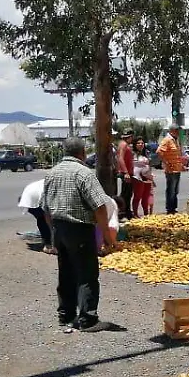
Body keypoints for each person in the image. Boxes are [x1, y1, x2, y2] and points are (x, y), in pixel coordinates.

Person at [41, 138, 113, 332]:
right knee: (87, 274)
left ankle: (65, 314)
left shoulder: (52, 173)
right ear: (82, 153)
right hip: (80, 229)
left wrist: (53, 232)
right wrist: (106, 235)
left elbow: (45, 208)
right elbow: (99, 206)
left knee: (66, 272)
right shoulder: (84, 173)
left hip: (59, 227)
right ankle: (88, 318)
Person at [18, 179, 54, 254]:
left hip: (30, 194)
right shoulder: (52, 186)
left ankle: (47, 242)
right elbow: (46, 215)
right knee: (43, 220)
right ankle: (48, 245)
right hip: (34, 197)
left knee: (42, 220)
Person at [156, 125, 184, 214]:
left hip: (177, 169)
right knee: (171, 190)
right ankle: (170, 209)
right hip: (171, 170)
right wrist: (166, 163)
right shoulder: (167, 140)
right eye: (177, 130)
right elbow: (159, 152)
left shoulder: (175, 140)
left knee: (175, 190)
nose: (178, 132)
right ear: (172, 131)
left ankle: (173, 208)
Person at [131, 140, 155, 217]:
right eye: (138, 143)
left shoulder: (146, 153)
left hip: (147, 177)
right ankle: (135, 214)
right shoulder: (132, 154)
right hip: (137, 177)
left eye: (142, 143)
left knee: (146, 196)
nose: (141, 144)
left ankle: (146, 214)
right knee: (137, 196)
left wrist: (151, 178)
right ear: (135, 145)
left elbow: (149, 165)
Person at [116, 132, 135, 220]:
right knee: (125, 194)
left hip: (128, 173)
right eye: (131, 137)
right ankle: (122, 213)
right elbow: (120, 158)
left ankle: (127, 212)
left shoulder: (125, 145)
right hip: (125, 173)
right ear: (129, 137)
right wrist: (126, 172)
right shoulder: (123, 145)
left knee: (128, 193)